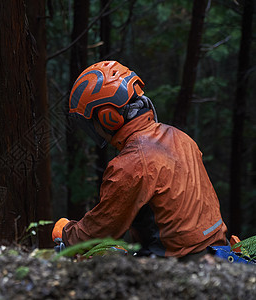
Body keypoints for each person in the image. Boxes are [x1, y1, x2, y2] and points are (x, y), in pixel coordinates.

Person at [52, 61, 228, 258]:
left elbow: (101, 229)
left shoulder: (132, 163)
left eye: (92, 122)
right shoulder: (181, 137)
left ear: (108, 117)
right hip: (218, 251)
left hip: (180, 264)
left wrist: (67, 234)